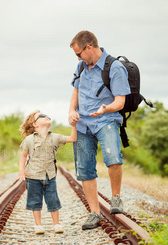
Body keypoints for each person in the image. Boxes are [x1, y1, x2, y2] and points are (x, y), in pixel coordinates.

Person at [69, 30, 131, 230]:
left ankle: (116, 199)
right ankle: (94, 213)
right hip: (83, 124)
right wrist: (71, 111)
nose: (77, 58)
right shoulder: (81, 66)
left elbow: (120, 102)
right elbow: (75, 92)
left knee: (113, 157)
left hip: (106, 119)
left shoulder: (115, 67)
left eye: (78, 53)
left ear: (89, 47)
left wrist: (105, 108)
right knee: (85, 169)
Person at [18, 110, 77, 234]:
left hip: (50, 175)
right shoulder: (29, 140)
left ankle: (56, 224)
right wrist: (21, 171)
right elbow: (23, 156)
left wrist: (74, 124)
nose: (46, 117)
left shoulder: (55, 137)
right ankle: (38, 225)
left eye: (47, 116)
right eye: (41, 116)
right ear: (35, 124)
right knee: (35, 200)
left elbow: (73, 138)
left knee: (53, 199)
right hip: (33, 175)